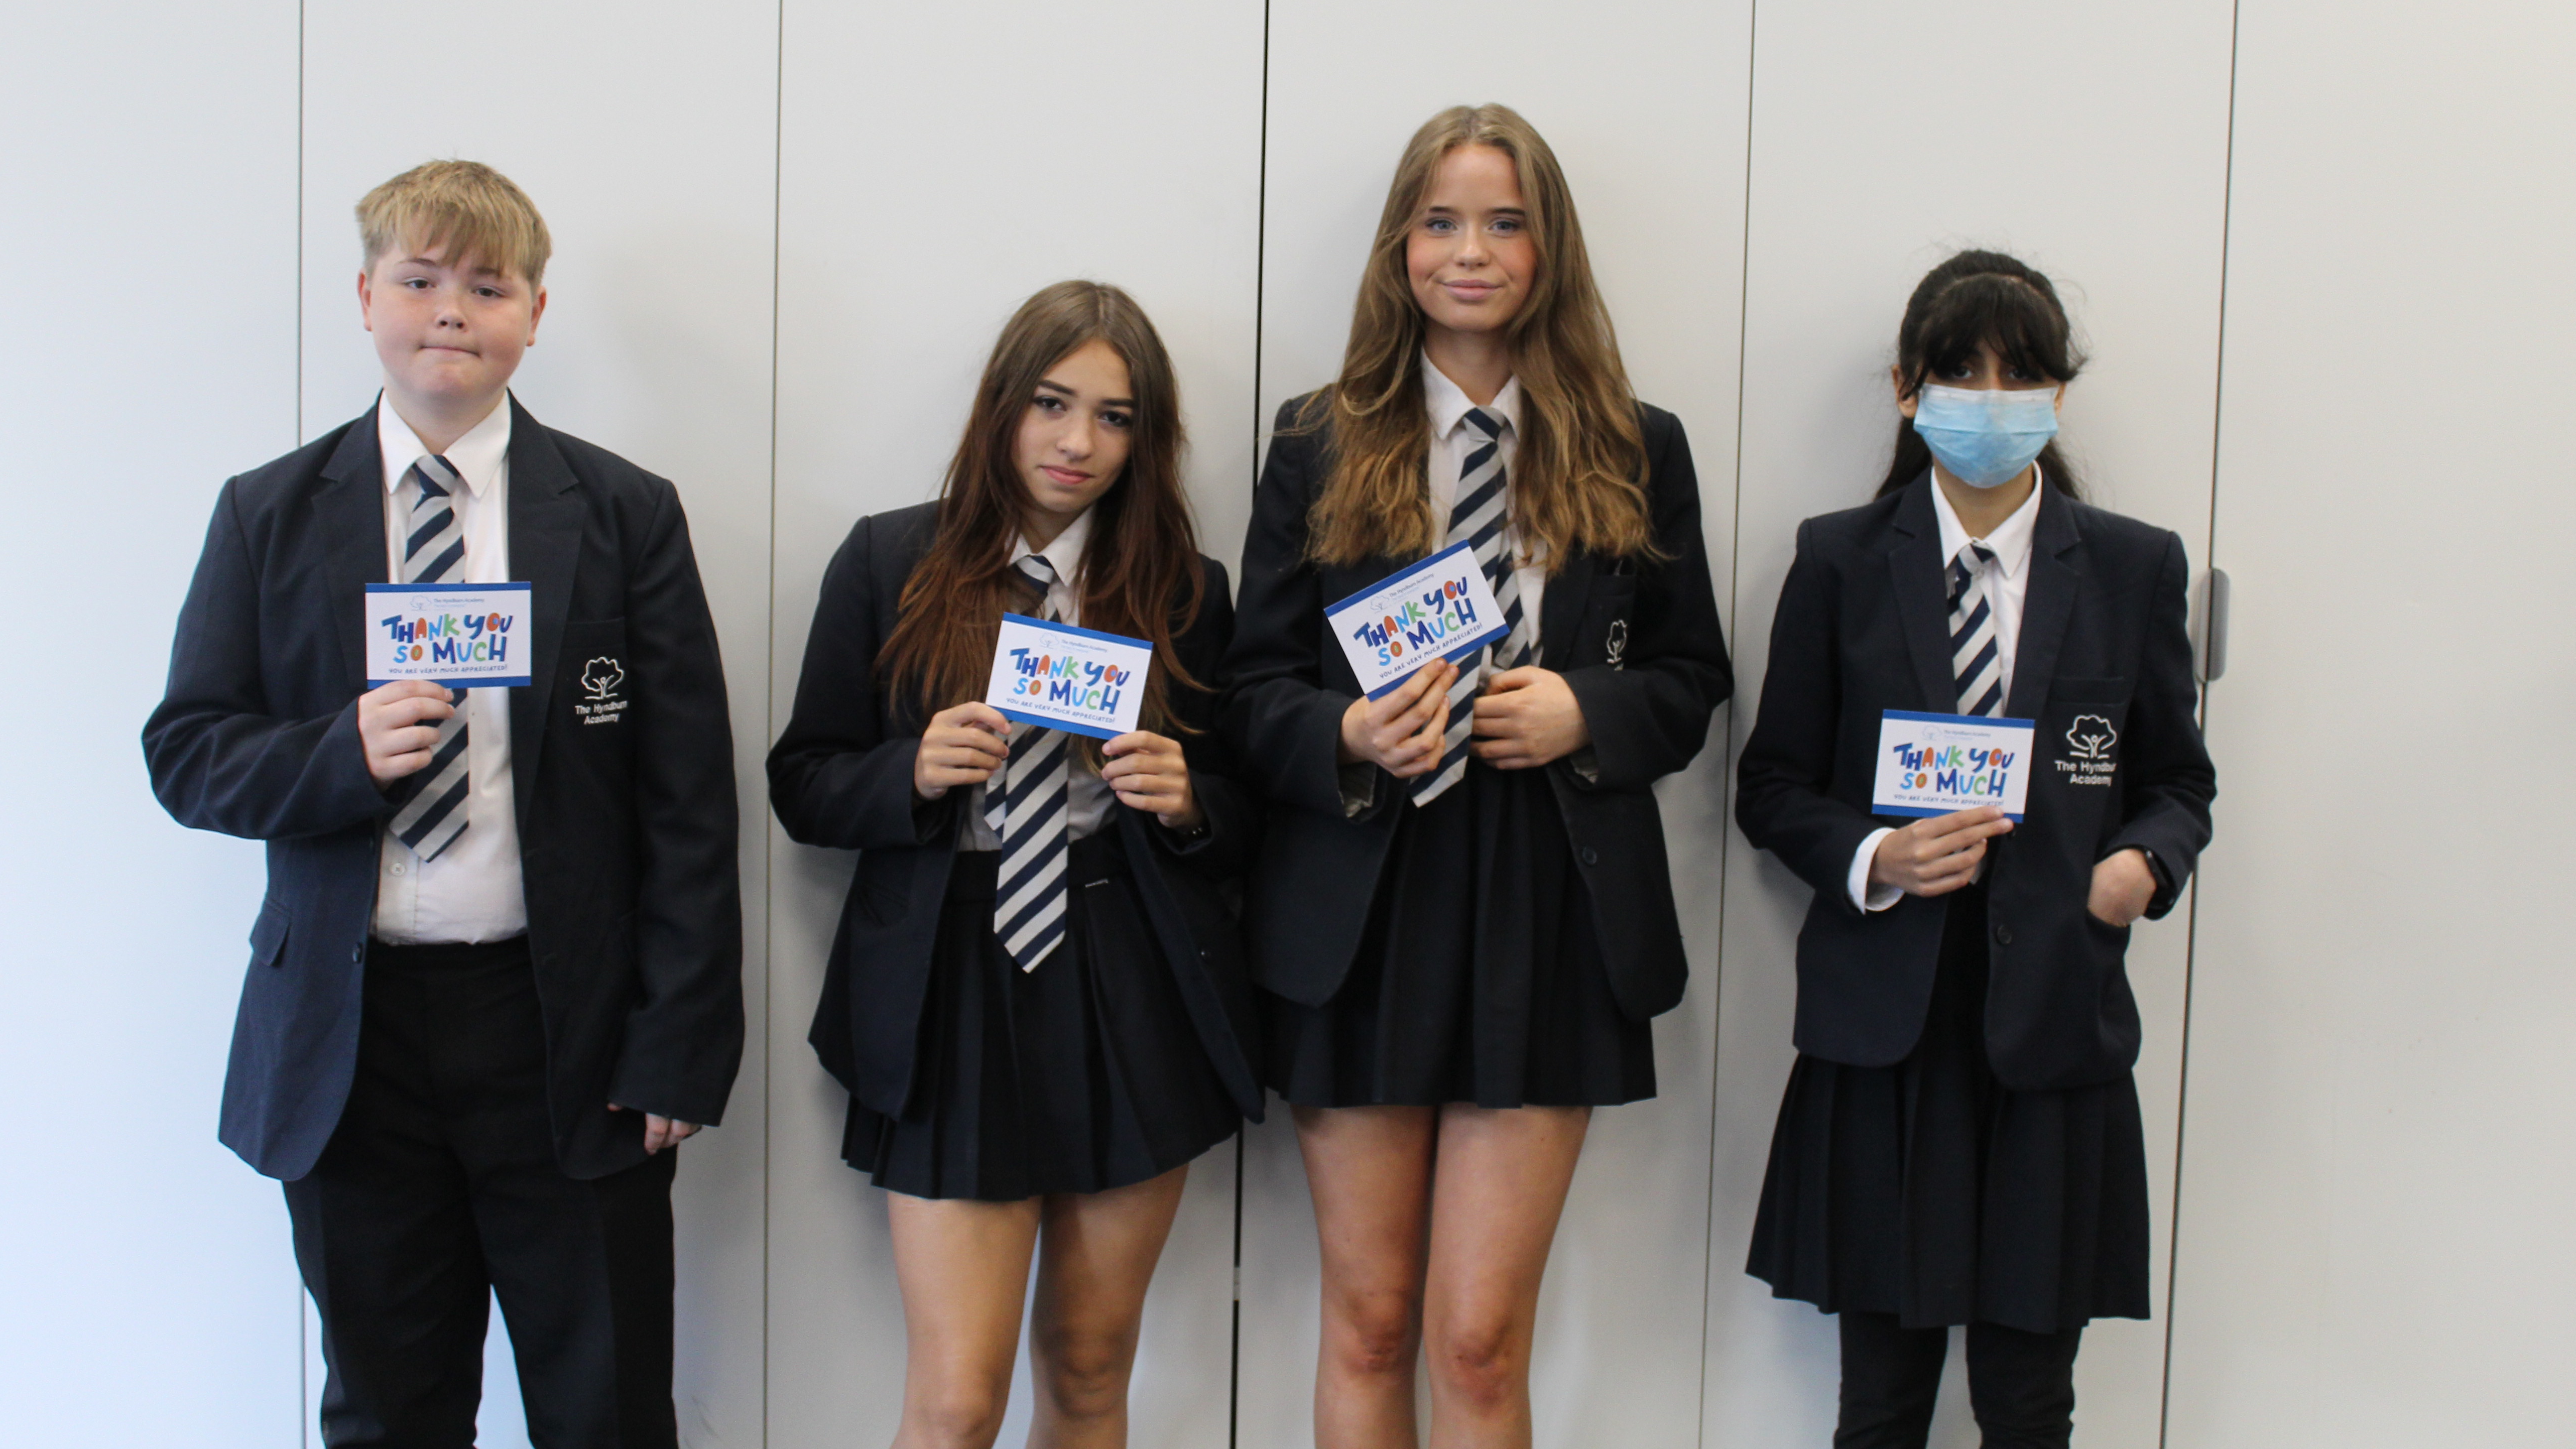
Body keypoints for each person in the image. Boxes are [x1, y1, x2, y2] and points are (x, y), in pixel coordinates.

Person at [144, 160, 744, 1447]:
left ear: (536, 312)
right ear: (366, 298)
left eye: (488, 285)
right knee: (386, 1415)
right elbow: (187, 754)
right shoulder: (266, 514)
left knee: (608, 1412)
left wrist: (680, 1043)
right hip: (354, 1043)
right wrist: (339, 753)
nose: (452, 311)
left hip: (566, 1036)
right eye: (419, 281)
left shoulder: (625, 514)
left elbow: (690, 804)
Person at [1223, 104, 1729, 1446]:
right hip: (1365, 904)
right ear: (1401, 247)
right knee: (1371, 1325)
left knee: (1478, 1342)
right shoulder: (1318, 439)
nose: (1472, 252)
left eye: (1506, 223)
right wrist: (1347, 735)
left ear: (1549, 248)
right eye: (1441, 222)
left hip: (1549, 900)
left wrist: (1586, 711)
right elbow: (1250, 689)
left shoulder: (1636, 442)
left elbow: (1691, 679)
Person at [1735, 249, 2218, 1447]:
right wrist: (1877, 861)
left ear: (2059, 393)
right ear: (1909, 389)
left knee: (2029, 1403)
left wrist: (2141, 868)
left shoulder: (2132, 566)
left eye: (2020, 374)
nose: (1990, 400)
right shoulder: (1841, 559)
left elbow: (2177, 783)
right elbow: (1775, 786)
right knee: (1881, 1403)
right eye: (1960, 372)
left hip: (2053, 1025)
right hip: (1885, 1028)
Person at [768, 280, 1258, 1449]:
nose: (1078, 441)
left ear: (1146, 438)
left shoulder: (1185, 586)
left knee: (1090, 1368)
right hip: (952, 970)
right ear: (1001, 403)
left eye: (1114, 416)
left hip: (1127, 970)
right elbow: (803, 781)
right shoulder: (892, 558)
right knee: (955, 1403)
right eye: (1051, 403)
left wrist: (1191, 799)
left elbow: (1253, 810)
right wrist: (912, 771)